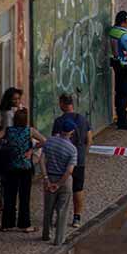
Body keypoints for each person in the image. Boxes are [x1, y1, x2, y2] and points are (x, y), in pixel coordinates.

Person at [0, 108, 43, 232]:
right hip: (25, 167)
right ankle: (25, 224)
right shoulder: (29, 131)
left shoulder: (8, 131)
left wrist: (3, 148)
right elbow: (44, 141)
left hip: (11, 167)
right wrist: (31, 150)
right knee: (24, 197)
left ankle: (7, 224)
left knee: (9, 196)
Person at [54, 94, 93, 228]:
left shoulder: (59, 121)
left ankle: (59, 216)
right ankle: (77, 217)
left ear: (62, 104)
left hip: (62, 161)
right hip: (79, 160)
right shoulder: (83, 119)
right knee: (78, 188)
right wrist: (83, 153)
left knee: (60, 188)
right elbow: (89, 140)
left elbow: (56, 140)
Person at [41, 117, 78, 245]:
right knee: (63, 210)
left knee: (48, 209)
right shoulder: (72, 149)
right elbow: (69, 171)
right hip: (64, 182)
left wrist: (46, 178)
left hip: (50, 177)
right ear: (71, 132)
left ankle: (46, 234)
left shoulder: (49, 141)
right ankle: (59, 239)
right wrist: (59, 184)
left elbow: (42, 160)